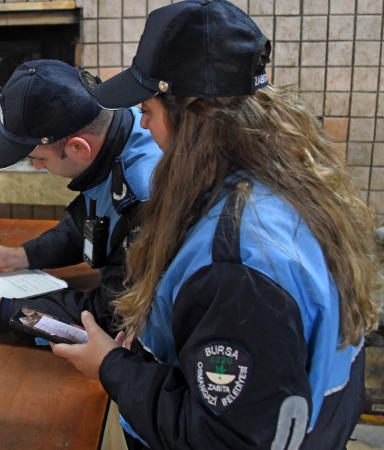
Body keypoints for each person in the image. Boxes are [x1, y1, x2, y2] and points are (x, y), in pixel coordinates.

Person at [51, 1, 381, 449]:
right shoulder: (281, 183)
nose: (143, 125)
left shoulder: (237, 265)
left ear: (197, 116)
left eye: (147, 109)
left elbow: (222, 437)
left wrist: (112, 367)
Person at [0, 60, 162, 340]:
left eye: (39, 158)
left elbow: (113, 313)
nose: (37, 167)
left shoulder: (144, 198)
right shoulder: (119, 126)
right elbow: (94, 223)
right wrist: (20, 256)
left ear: (78, 148)